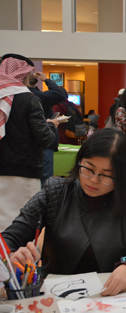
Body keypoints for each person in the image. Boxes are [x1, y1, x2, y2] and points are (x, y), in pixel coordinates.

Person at [2, 129, 126, 296]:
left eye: (106, 175)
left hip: (111, 295)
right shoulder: (55, 192)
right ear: (79, 161)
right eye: (88, 169)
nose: (93, 180)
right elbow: (11, 236)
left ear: (123, 177)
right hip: (54, 296)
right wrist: (9, 259)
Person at [0, 53, 57, 231]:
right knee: (23, 225)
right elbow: (45, 139)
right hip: (26, 170)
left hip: (2, 169)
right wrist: (52, 126)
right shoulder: (29, 99)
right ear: (22, 75)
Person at [27, 71, 67, 186]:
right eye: (29, 73)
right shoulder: (33, 95)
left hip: (41, 142)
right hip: (43, 142)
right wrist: (46, 80)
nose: (32, 74)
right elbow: (60, 94)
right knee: (44, 181)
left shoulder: (34, 94)